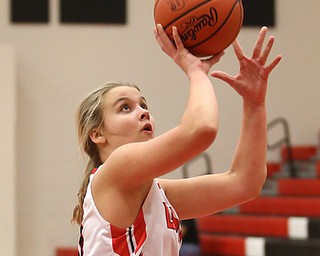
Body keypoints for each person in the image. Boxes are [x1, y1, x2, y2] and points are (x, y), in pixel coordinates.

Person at [72, 24, 282, 256]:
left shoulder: (158, 193)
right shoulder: (116, 169)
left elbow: (245, 183)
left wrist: (254, 103)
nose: (142, 112)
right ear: (97, 134)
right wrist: (195, 71)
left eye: (144, 105)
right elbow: (201, 129)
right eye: (125, 108)